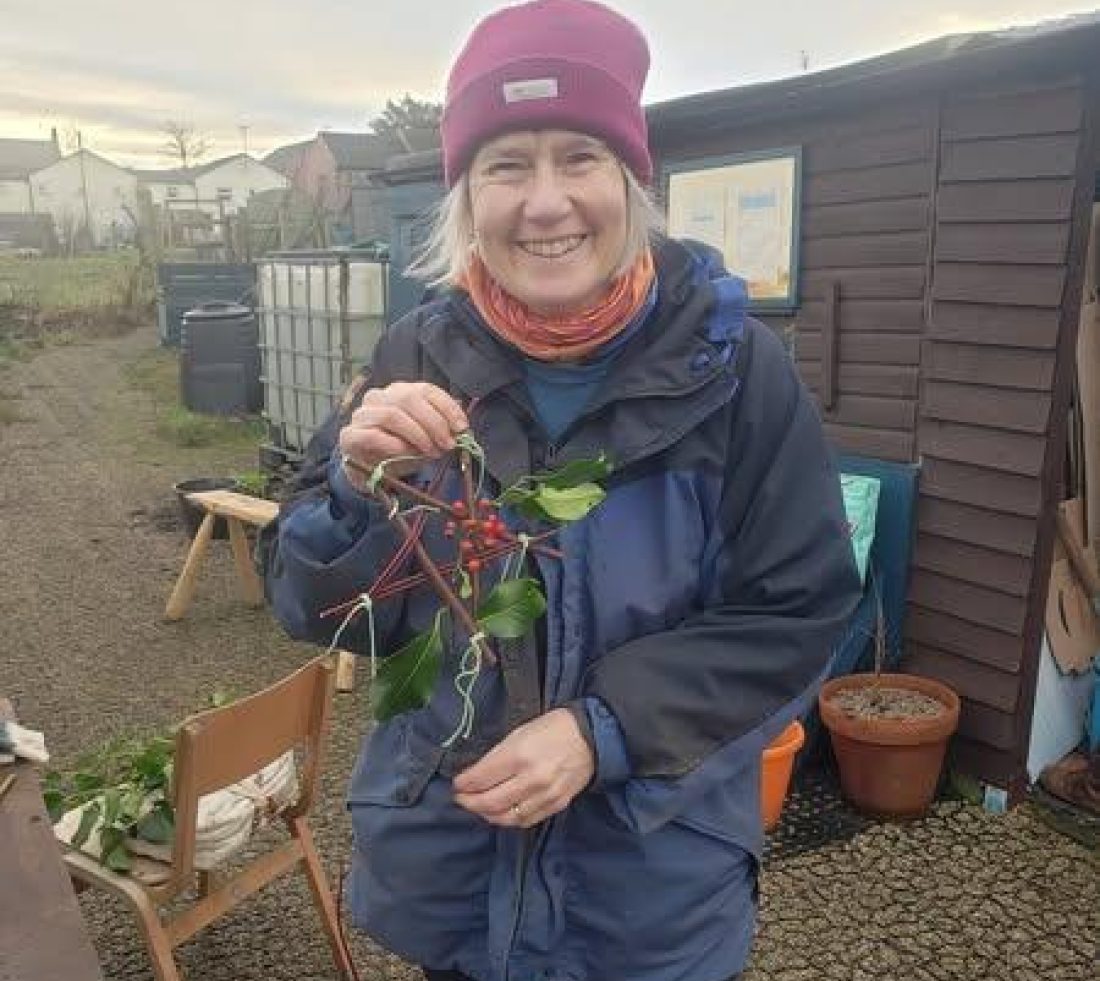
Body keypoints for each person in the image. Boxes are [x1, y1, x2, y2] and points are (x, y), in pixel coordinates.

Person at [264, 2, 862, 979]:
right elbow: (322, 615)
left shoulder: (737, 375)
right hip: (452, 884)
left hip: (640, 904)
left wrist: (604, 730)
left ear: (632, 181)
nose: (545, 203)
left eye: (578, 156)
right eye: (507, 164)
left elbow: (798, 611)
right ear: (466, 195)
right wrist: (355, 490)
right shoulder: (414, 354)